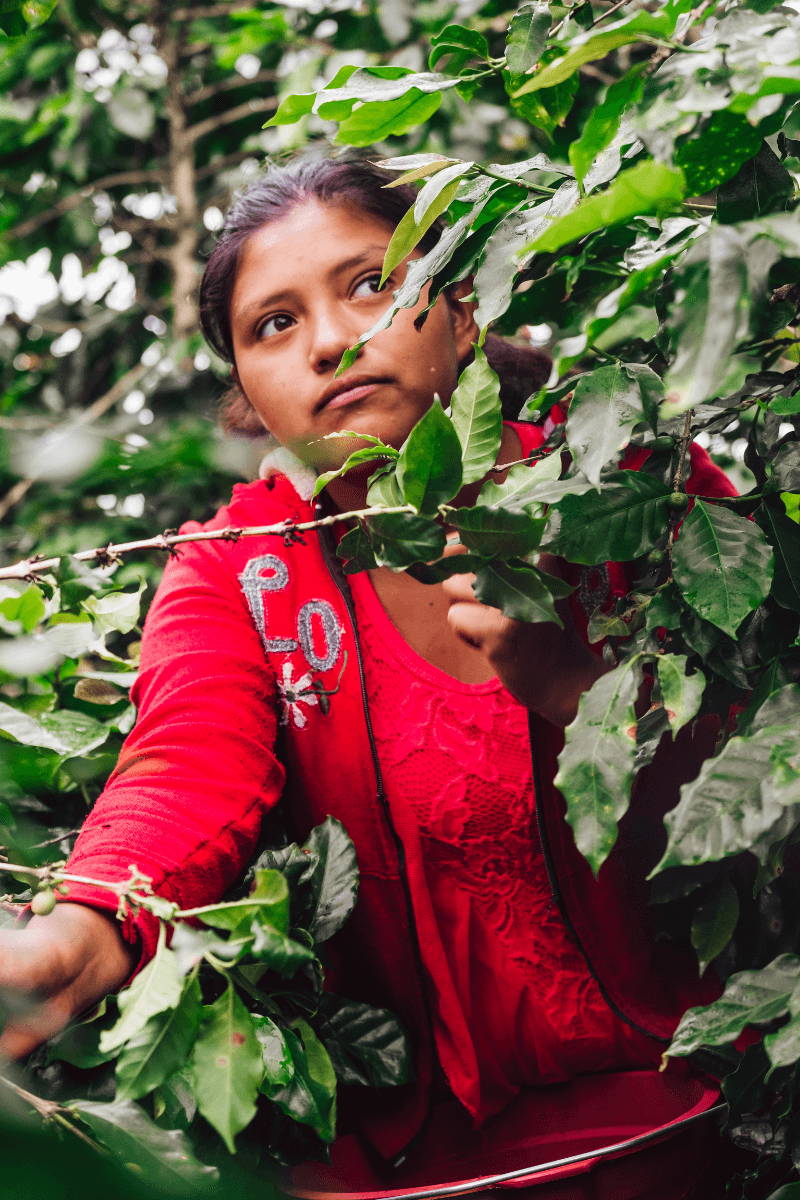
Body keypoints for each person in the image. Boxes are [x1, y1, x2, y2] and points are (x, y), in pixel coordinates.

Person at [0, 155, 738, 1197]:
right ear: (250, 400)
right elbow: (182, 774)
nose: (333, 342)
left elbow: (770, 763)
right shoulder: (237, 569)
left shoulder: (633, 487)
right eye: (273, 324)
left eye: (370, 283)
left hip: (707, 1119)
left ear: (463, 311)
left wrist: (589, 693)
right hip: (412, 1172)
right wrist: (66, 944)